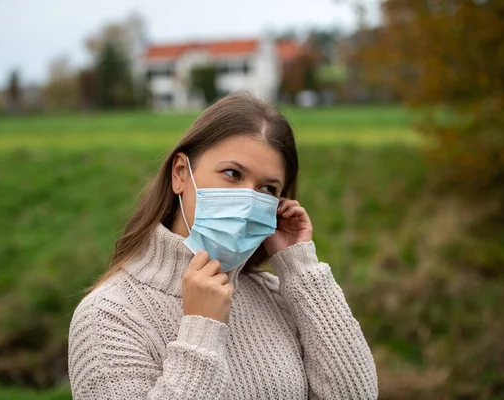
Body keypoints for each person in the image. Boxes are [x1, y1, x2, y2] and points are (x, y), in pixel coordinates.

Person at [68, 92, 378, 399]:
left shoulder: (276, 296)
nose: (248, 199)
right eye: (232, 174)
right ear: (180, 174)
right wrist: (200, 329)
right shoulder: (108, 316)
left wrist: (300, 268)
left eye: (267, 188)